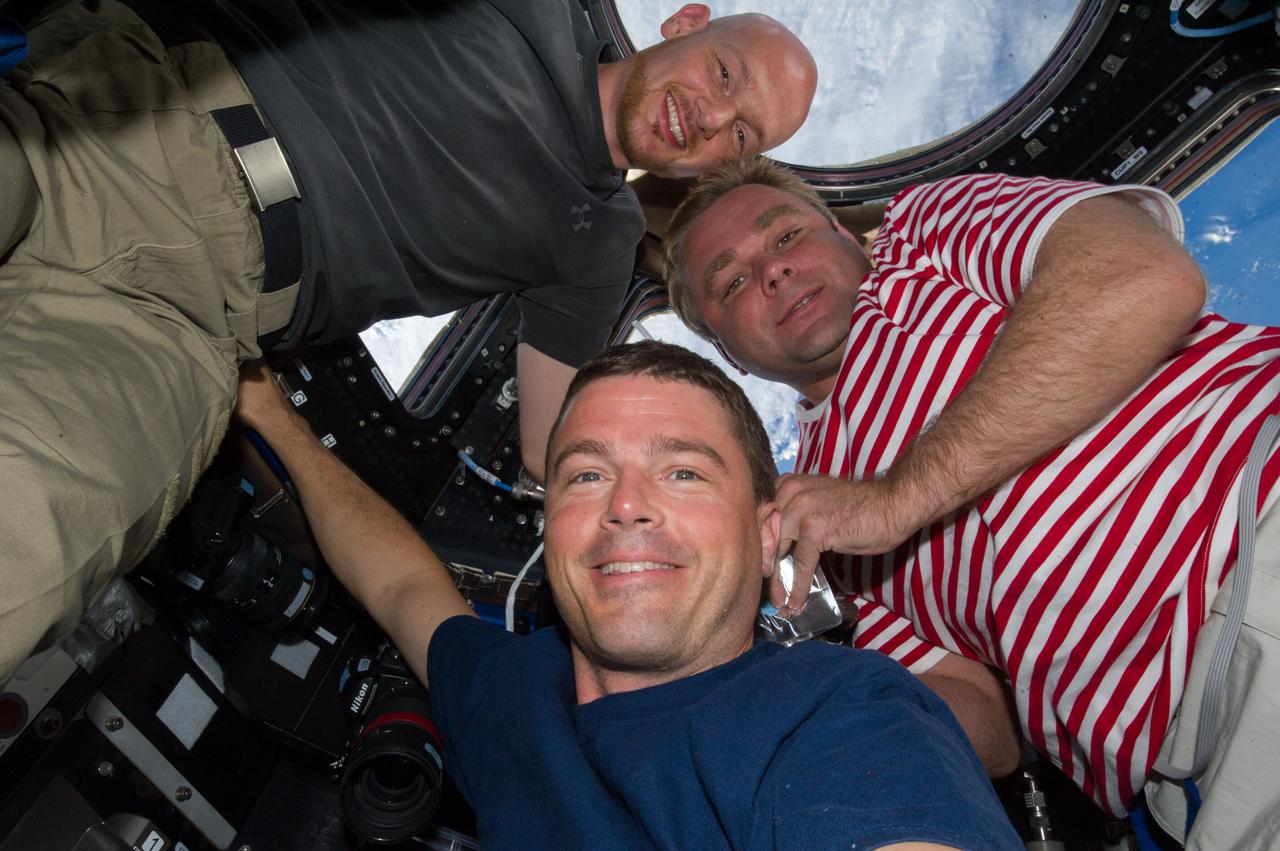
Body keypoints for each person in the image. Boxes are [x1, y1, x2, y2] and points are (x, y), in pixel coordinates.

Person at [0, 1, 818, 683]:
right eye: (725, 76)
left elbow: (553, 446)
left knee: (31, 550)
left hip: (189, 313)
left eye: (741, 136)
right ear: (686, 23)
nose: (711, 118)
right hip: (115, 130)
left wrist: (734, 516)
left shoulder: (598, 242)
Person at [660, 158, 1280, 848]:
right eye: (733, 280)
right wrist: (805, 706)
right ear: (730, 354)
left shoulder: (922, 234)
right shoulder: (816, 528)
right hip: (1184, 754)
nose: (772, 272)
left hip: (1257, 508)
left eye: (784, 238)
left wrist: (896, 497)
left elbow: (1142, 277)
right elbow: (990, 722)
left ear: (844, 234)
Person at [234, 340, 1022, 849]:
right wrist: (271, 412)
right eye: (587, 474)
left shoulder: (842, 715)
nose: (626, 504)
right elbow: (402, 582)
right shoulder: (511, 694)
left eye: (683, 470)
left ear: (764, 535)